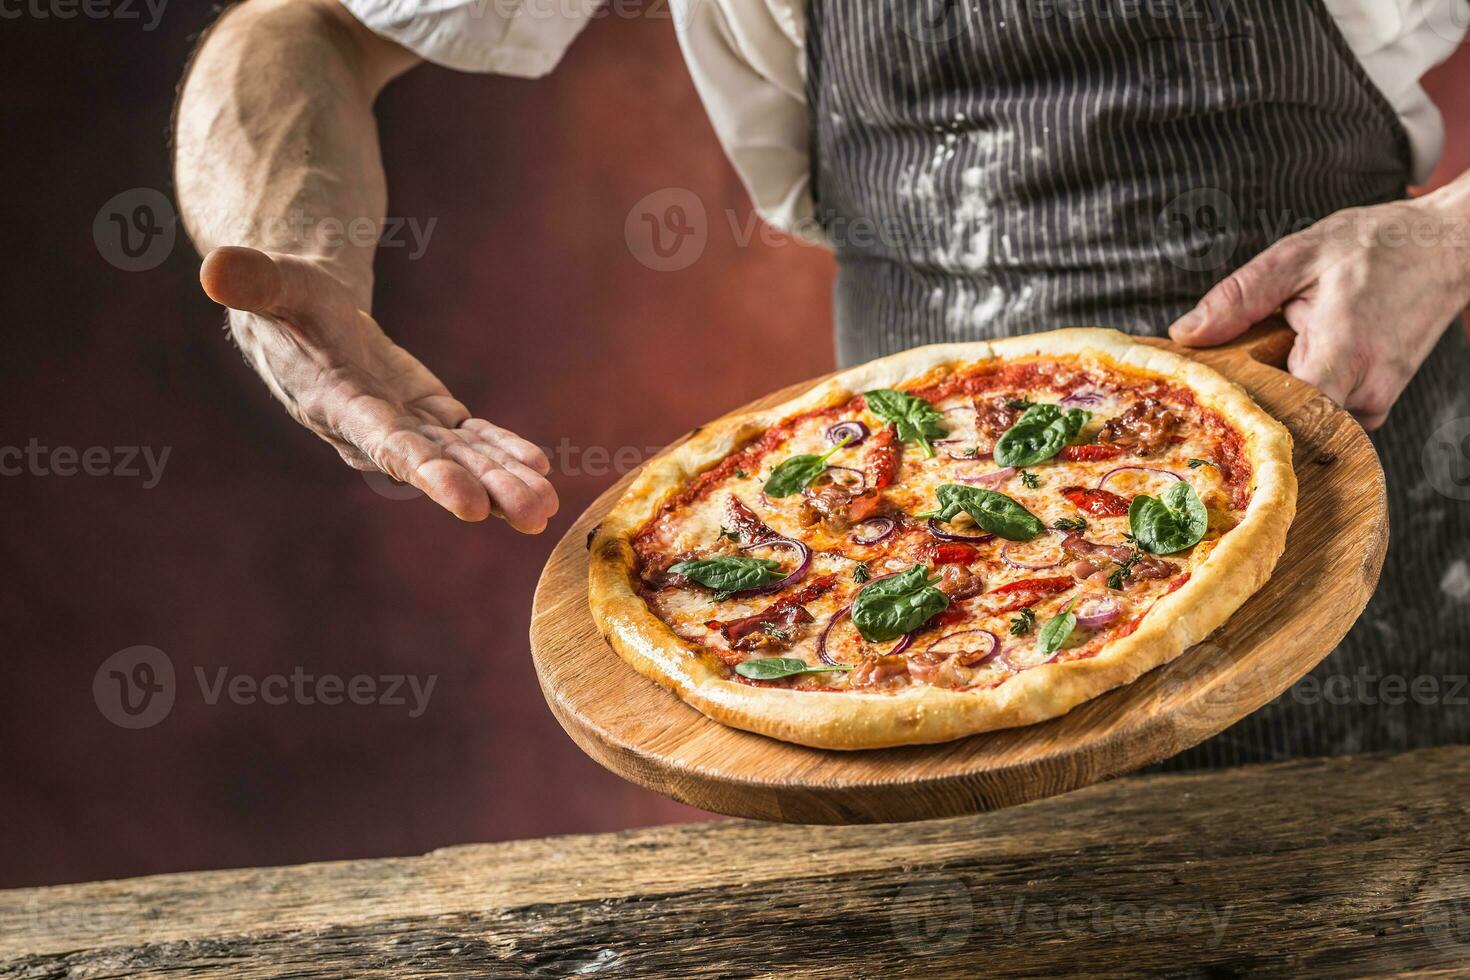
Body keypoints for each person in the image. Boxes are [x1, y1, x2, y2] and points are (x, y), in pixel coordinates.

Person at [173, 0, 1470, 767]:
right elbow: (305, 34)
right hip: (872, 561)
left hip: (1358, 456)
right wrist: (293, 272)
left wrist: (1450, 232)